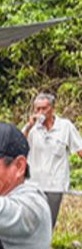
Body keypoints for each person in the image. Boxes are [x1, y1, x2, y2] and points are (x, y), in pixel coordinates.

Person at [21, 92, 81, 229]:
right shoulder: (31, 128)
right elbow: (17, 146)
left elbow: (79, 149)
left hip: (55, 185)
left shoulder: (65, 126)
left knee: (48, 223)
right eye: (37, 109)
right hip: (33, 184)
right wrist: (29, 126)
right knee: (30, 221)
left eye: (44, 108)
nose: (40, 112)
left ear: (52, 108)